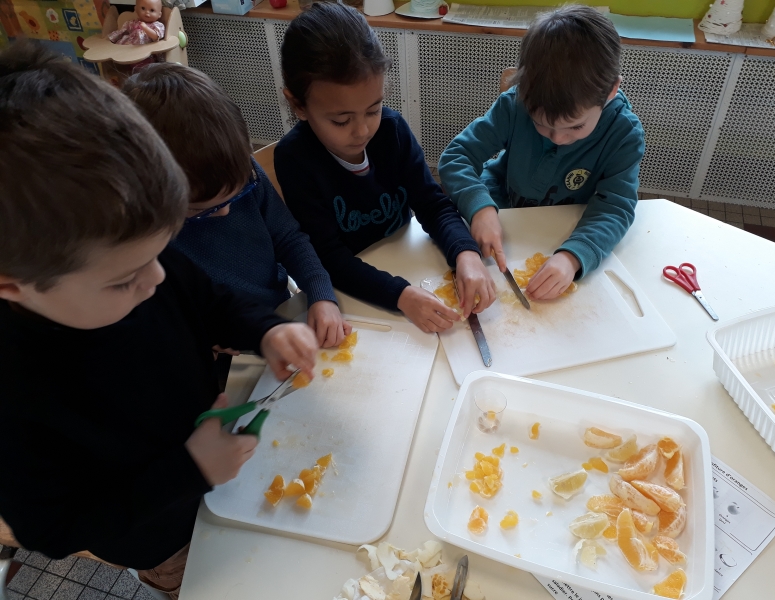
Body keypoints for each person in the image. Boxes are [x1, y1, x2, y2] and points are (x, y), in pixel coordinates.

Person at [0, 42, 317, 599]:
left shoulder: (132, 257)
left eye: (162, 249)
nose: (158, 278)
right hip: (161, 534)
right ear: (13, 287)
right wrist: (189, 471)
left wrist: (265, 328)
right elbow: (55, 527)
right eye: (125, 279)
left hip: (220, 463)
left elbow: (209, 300)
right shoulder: (18, 394)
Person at [275, 2, 496, 334]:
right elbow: (328, 257)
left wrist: (466, 253)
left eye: (373, 109)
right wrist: (400, 295)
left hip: (405, 254)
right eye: (341, 120)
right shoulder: (295, 159)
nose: (362, 130)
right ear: (298, 105)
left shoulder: (392, 130)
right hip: (355, 293)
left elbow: (433, 205)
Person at [123, 63, 350, 351]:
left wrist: (320, 292)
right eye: (201, 211)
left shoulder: (241, 171)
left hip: (278, 315)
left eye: (238, 194)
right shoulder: (144, 238)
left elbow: (288, 238)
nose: (225, 212)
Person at [439, 5, 645, 300]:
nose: (559, 138)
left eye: (575, 127)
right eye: (541, 125)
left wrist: (573, 257)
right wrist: (480, 207)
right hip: (503, 217)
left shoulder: (623, 133)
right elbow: (456, 156)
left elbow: (615, 206)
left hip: (569, 231)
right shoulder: (514, 105)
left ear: (611, 91)